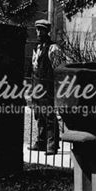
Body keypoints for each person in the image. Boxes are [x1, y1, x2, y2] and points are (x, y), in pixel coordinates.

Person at [30, 19, 63, 154]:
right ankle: (41, 142)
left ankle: (52, 145)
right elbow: (34, 67)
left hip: (48, 86)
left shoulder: (53, 48)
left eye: (41, 30)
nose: (38, 32)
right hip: (37, 85)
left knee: (49, 115)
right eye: (37, 29)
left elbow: (58, 69)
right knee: (39, 115)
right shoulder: (36, 47)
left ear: (47, 31)